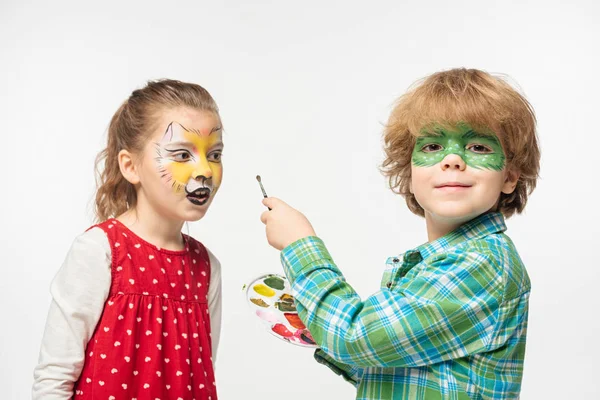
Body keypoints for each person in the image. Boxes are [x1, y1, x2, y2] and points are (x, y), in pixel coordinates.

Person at [260, 68, 540, 399]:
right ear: (409, 172)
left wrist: (299, 245)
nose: (452, 159)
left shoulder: (481, 263)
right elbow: (395, 368)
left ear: (510, 177)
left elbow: (355, 338)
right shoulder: (441, 264)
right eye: (434, 145)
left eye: (477, 146)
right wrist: (315, 321)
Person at [33, 79, 224, 400]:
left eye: (215, 154)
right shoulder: (99, 251)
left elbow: (201, 377)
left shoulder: (207, 269)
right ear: (130, 166)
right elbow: (54, 377)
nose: (204, 169)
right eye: (181, 154)